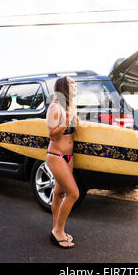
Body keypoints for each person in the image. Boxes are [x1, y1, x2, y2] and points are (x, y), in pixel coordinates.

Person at [46, 76, 80, 248]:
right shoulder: (55, 107)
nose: (75, 85)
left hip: (69, 157)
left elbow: (72, 133)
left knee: (59, 194)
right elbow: (52, 134)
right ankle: (58, 232)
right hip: (56, 156)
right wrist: (67, 121)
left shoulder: (70, 107)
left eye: (75, 83)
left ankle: (56, 228)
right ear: (63, 88)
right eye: (71, 83)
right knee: (73, 194)